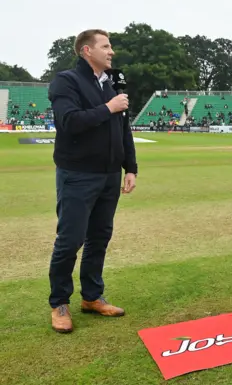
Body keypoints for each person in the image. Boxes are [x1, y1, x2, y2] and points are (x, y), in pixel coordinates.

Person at [47, 29, 138, 333]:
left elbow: (124, 129)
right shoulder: (66, 81)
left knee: (99, 237)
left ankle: (92, 297)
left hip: (110, 175)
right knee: (71, 240)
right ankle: (59, 302)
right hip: (77, 174)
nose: (111, 51)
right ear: (87, 51)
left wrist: (130, 168)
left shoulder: (113, 83)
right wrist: (107, 108)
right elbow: (69, 122)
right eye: (105, 46)